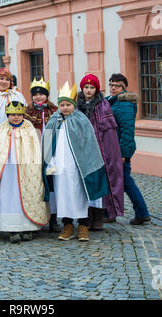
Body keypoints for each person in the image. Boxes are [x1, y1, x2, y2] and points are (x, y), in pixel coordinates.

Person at [42, 82, 109, 242]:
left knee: (80, 194)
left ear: (74, 105)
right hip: (59, 168)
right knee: (62, 195)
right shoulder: (53, 121)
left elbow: (89, 144)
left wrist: (86, 164)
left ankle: (83, 225)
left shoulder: (81, 120)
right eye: (62, 105)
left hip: (78, 166)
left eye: (68, 105)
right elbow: (46, 144)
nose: (65, 108)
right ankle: (67, 225)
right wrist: (48, 162)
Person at [0, 100, 50, 243]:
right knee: (9, 198)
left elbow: (35, 148)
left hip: (26, 168)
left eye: (18, 114)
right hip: (8, 170)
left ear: (23, 115)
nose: (15, 117)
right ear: (7, 115)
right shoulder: (2, 129)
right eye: (12, 114)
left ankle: (28, 227)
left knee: (29, 192)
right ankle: (12, 229)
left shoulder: (29, 128)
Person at [76, 74, 124, 231]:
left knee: (98, 183)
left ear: (96, 89)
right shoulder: (76, 105)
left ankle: (98, 217)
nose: (89, 90)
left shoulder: (103, 105)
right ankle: (86, 217)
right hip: (82, 150)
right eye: (86, 87)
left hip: (99, 150)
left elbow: (109, 134)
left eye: (92, 88)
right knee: (84, 185)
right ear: (82, 89)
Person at [106, 73, 151, 225]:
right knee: (114, 181)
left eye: (117, 85)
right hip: (113, 150)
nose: (113, 88)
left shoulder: (124, 104)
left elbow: (127, 131)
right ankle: (110, 213)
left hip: (120, 151)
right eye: (111, 84)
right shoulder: (112, 101)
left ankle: (142, 212)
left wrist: (124, 153)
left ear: (124, 88)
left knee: (125, 181)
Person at [23, 77, 60, 232]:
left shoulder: (55, 110)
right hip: (34, 153)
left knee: (52, 186)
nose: (38, 96)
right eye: (35, 94)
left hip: (52, 152)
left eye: (42, 94)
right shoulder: (27, 112)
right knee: (37, 185)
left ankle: (54, 218)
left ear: (47, 95)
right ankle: (38, 216)